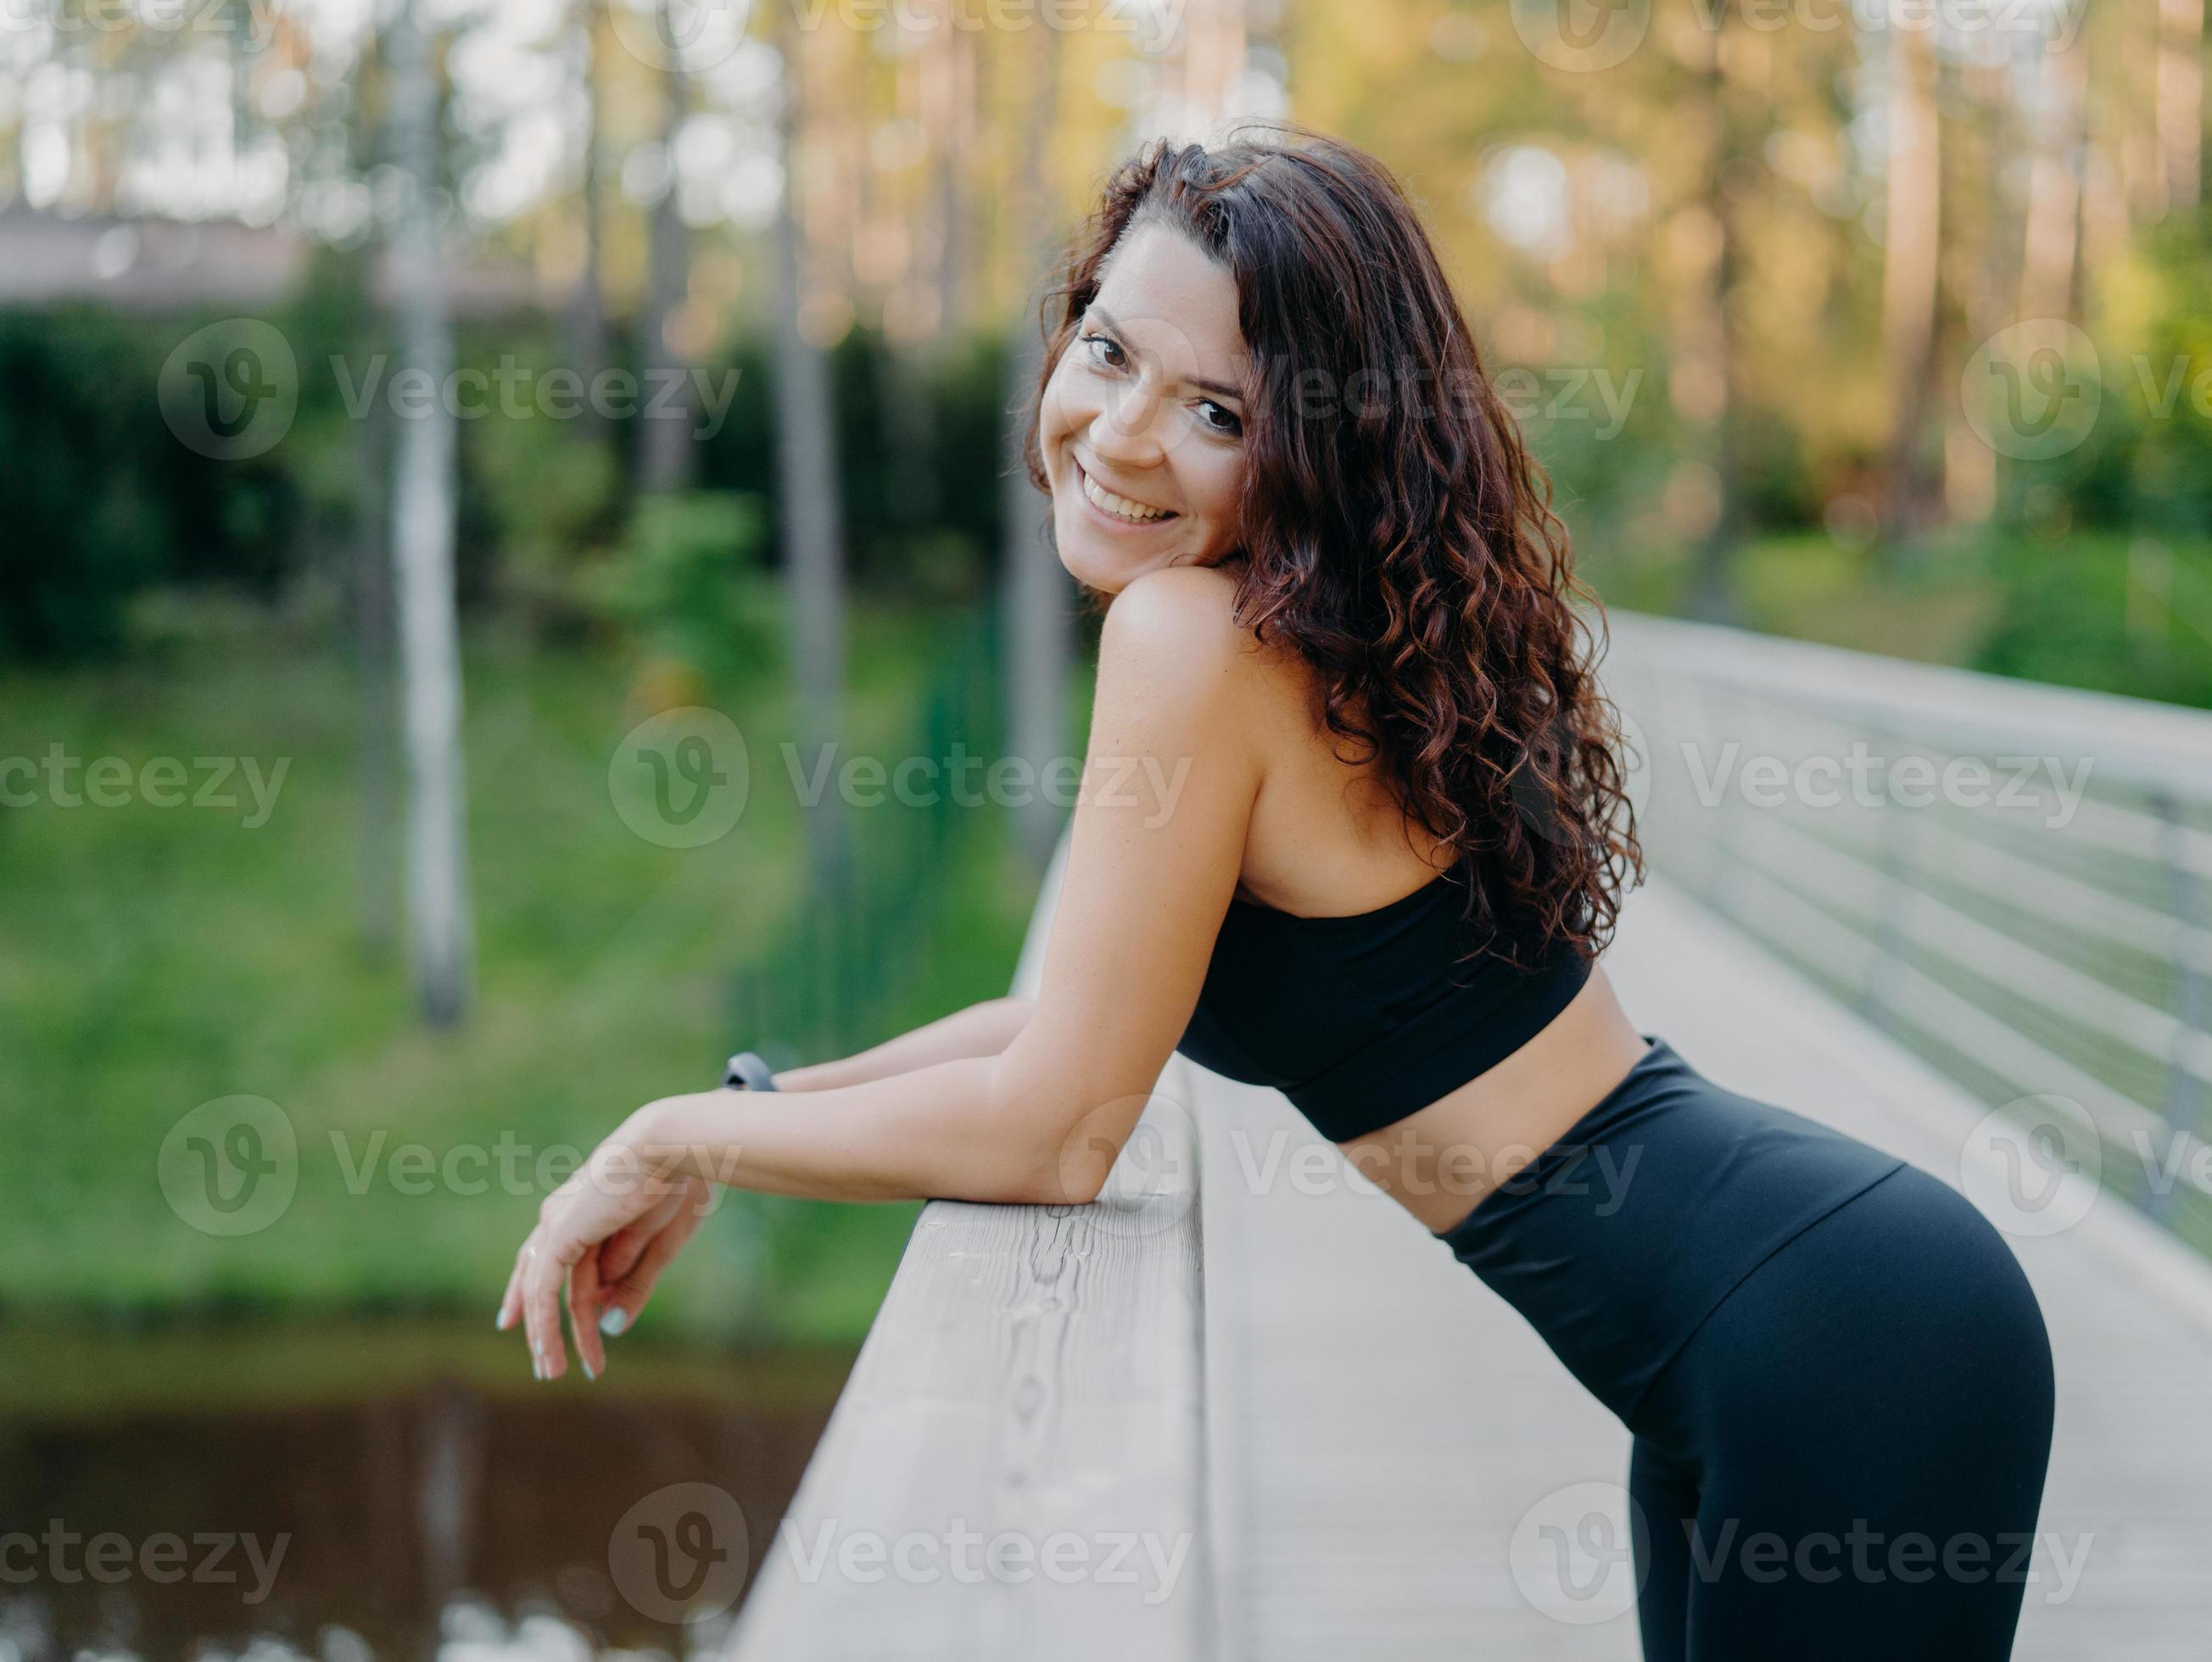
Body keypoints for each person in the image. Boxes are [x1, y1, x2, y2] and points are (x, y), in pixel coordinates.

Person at [499, 124, 2054, 1659]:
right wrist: (753, 1112)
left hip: (1838, 1349)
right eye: (1106, 350)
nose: (1119, 436)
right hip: (1781, 1334)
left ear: (1319, 441)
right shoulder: (1309, 637)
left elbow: (1055, 1130)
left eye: (1216, 411)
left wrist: (672, 1135)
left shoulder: (1194, 639)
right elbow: (1062, 1032)